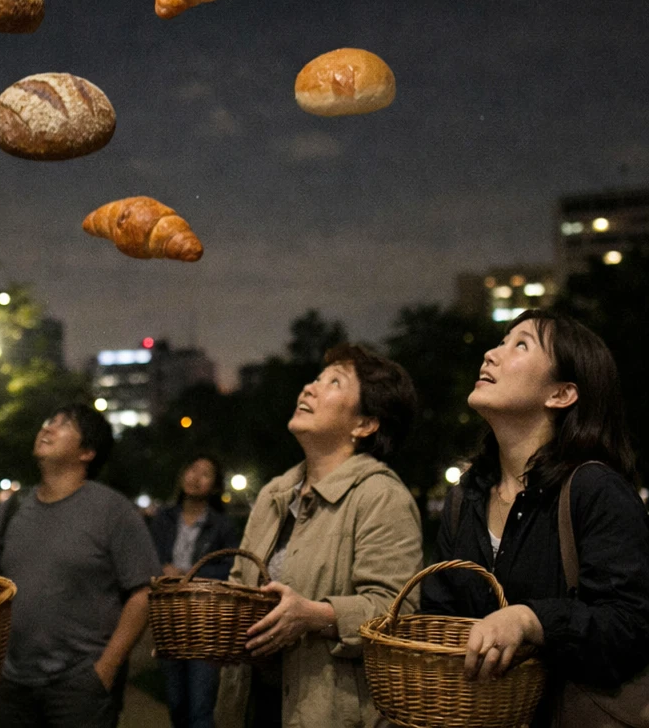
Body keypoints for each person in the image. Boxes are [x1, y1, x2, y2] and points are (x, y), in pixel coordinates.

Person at [421, 310, 649, 727]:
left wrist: (531, 620)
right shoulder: (465, 498)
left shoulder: (594, 489)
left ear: (561, 394)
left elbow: (630, 627)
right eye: (501, 341)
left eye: (520, 345)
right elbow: (439, 620)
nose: (491, 354)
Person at [216, 344, 422, 728]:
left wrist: (312, 616)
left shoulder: (381, 497)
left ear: (364, 424)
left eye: (333, 383)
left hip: (330, 711)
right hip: (253, 706)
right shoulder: (274, 493)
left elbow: (396, 615)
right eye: (314, 379)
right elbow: (238, 584)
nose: (309, 388)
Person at [0, 402, 162, 728]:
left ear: (87, 452)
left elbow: (143, 592)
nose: (46, 428)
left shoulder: (113, 510)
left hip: (80, 688)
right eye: (48, 420)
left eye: (63, 425)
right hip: (12, 684)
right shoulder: (13, 508)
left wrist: (105, 671)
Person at [149, 454, 242, 728]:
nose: (195, 477)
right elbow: (147, 555)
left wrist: (190, 575)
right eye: (192, 469)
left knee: (201, 705)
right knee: (176, 701)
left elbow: (232, 566)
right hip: (169, 617)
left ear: (214, 486)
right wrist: (160, 568)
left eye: (205, 473)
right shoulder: (163, 518)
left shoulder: (221, 526)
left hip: (205, 619)